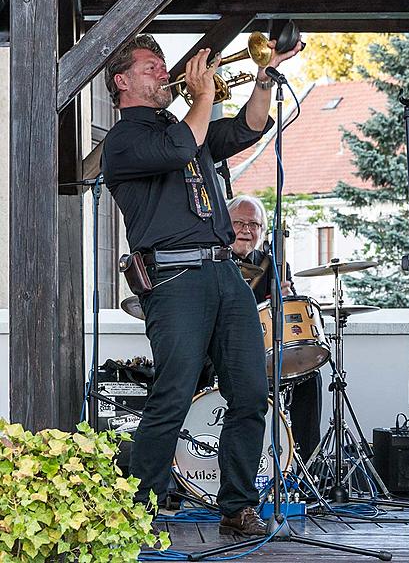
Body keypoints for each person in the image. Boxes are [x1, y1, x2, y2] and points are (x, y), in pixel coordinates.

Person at [103, 33, 301, 537]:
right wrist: (204, 97)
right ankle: (135, 511)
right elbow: (178, 148)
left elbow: (246, 130)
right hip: (173, 278)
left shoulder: (183, 128)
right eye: (151, 66)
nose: (162, 72)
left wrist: (264, 76)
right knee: (172, 395)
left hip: (223, 273)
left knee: (252, 394)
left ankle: (237, 505)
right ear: (122, 81)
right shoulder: (124, 141)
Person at [227, 194, 323, 463]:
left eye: (254, 225)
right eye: (239, 223)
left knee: (309, 378)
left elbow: (292, 321)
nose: (247, 230)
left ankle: (305, 466)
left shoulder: (275, 264)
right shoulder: (214, 262)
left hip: (263, 355)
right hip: (223, 354)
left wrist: (287, 299)